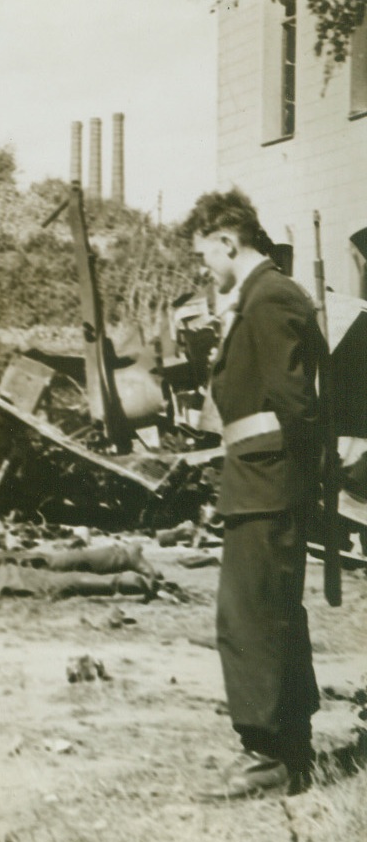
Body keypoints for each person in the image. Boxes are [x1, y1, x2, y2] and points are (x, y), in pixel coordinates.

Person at [184, 189, 326, 799]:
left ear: (227, 240)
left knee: (249, 617)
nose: (205, 268)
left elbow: (294, 403)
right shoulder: (263, 296)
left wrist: (295, 473)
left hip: (267, 482)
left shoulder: (268, 298)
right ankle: (290, 749)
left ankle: (268, 755)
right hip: (262, 479)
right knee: (273, 614)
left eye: (205, 255)